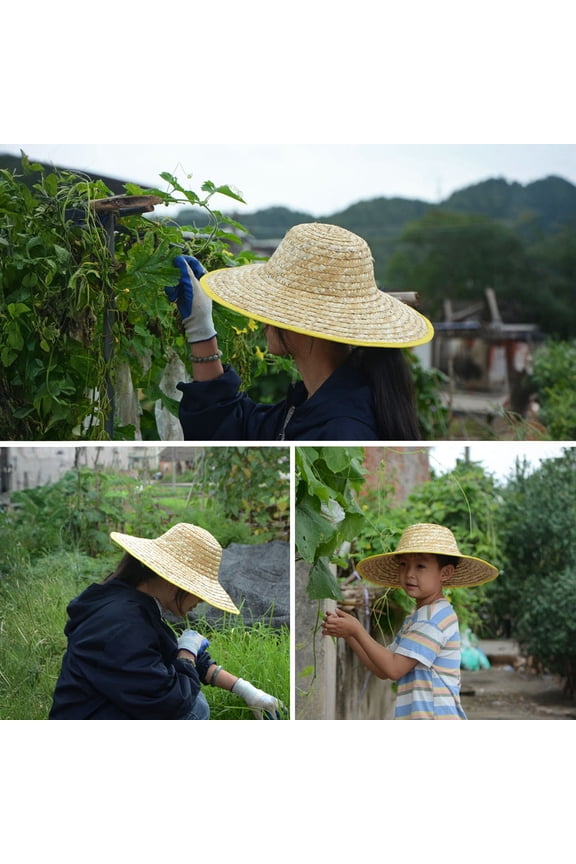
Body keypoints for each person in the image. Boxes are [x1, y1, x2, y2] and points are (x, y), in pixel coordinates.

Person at [165, 222, 434, 441]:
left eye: (274, 303)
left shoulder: (342, 429)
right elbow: (229, 428)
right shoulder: (314, 404)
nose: (263, 317)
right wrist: (201, 330)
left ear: (306, 323)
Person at [49, 523, 284, 720]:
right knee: (194, 707)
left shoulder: (129, 604)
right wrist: (186, 656)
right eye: (199, 590)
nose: (201, 601)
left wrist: (246, 690)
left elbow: (167, 655)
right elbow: (171, 701)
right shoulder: (123, 623)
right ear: (178, 582)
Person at [321, 523, 498, 720]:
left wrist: (357, 630)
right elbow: (382, 668)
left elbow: (394, 669)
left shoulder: (434, 618)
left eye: (420, 566)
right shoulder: (419, 617)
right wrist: (350, 634)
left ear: (445, 573)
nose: (409, 573)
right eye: (403, 565)